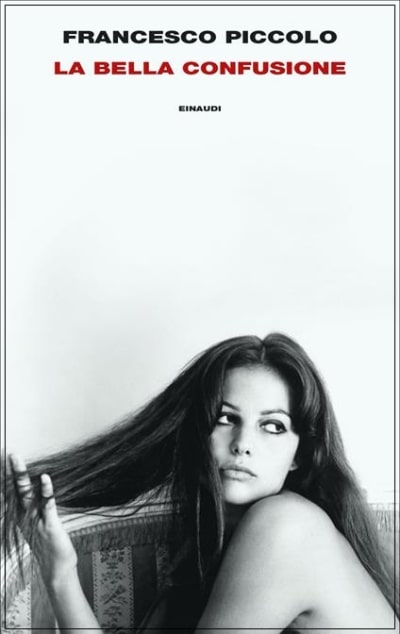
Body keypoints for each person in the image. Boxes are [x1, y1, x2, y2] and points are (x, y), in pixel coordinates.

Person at [3, 333, 399, 632]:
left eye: (273, 426)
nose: (243, 444)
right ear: (197, 432)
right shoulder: (202, 549)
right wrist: (59, 570)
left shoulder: (287, 527)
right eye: (226, 418)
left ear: (299, 454)